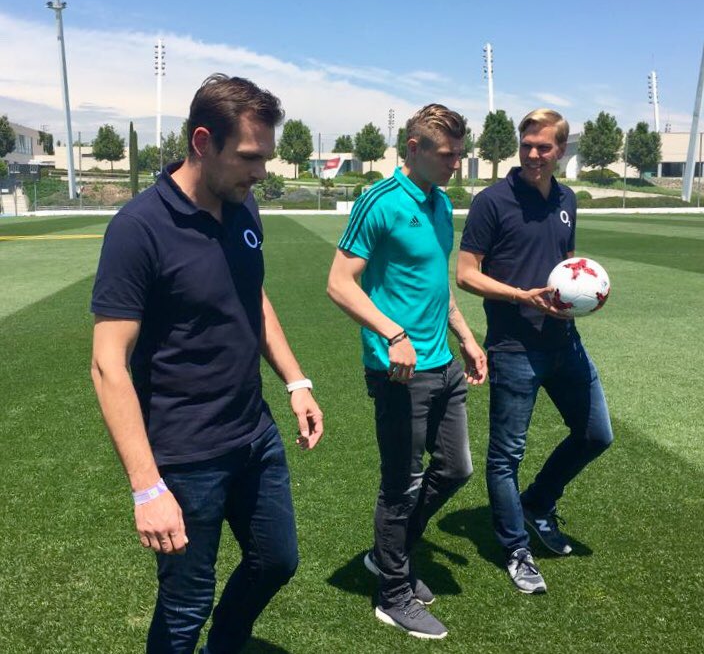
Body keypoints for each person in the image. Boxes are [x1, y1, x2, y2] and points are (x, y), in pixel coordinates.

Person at [90, 74, 323, 654]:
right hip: (185, 453)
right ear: (202, 141)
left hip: (254, 433)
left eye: (265, 157)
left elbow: (254, 299)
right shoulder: (138, 229)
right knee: (185, 604)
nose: (261, 172)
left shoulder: (241, 208)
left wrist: (295, 380)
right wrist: (147, 489)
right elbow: (106, 365)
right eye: (249, 157)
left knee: (276, 561)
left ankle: (228, 645)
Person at [327, 104, 487, 639]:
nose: (456, 166)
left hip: (442, 364)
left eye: (461, 156)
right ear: (413, 148)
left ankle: (387, 554)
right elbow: (340, 283)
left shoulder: (441, 205)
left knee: (457, 469)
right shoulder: (379, 201)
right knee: (402, 482)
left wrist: (465, 338)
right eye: (447, 156)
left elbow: (435, 285)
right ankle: (393, 592)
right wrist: (393, 334)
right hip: (397, 370)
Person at [456, 108, 613, 594]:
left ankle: (538, 504)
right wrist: (520, 295)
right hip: (514, 346)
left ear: (561, 150)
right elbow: (465, 273)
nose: (533, 155)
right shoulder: (492, 201)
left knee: (596, 434)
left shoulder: (567, 198)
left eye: (543, 147)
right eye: (527, 145)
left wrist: (585, 294)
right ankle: (516, 548)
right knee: (506, 455)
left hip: (564, 341)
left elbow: (567, 262)